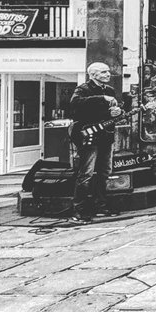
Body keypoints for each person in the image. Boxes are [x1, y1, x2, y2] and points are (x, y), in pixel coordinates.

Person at [68, 61, 124, 221]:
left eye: (108, 72)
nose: (108, 74)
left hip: (105, 135)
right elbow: (75, 104)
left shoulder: (110, 90)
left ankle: (101, 205)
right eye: (103, 72)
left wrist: (117, 111)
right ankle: (79, 209)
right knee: (86, 172)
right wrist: (101, 98)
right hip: (88, 135)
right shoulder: (83, 90)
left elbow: (113, 111)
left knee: (104, 171)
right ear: (93, 75)